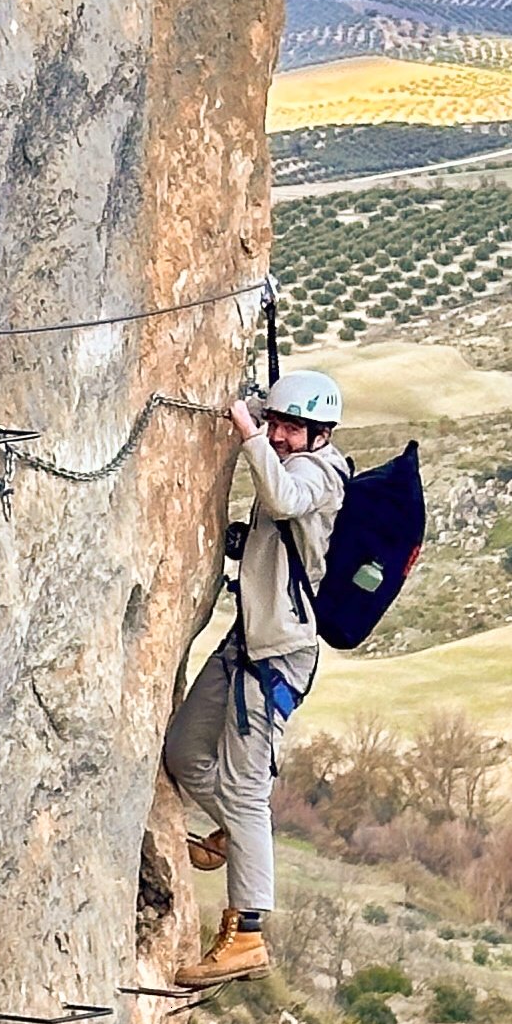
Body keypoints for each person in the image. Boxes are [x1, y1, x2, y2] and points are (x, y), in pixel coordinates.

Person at [162, 368, 349, 989]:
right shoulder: (295, 459)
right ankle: (235, 840)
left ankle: (245, 935)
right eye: (276, 423)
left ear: (320, 432)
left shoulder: (318, 473)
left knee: (246, 794)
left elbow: (285, 500)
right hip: (248, 643)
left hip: (276, 656)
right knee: (186, 751)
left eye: (293, 427)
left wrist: (248, 434)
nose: (282, 435)